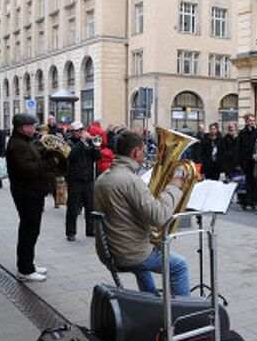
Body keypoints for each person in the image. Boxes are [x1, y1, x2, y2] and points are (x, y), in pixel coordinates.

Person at [94, 130, 190, 295]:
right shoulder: (130, 180)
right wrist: (173, 187)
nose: (144, 155)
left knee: (143, 267)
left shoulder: (103, 178)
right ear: (136, 152)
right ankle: (184, 312)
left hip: (110, 250)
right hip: (130, 254)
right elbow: (159, 217)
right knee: (180, 266)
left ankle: (149, 300)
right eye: (143, 151)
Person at [7, 114, 57, 282]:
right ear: (22, 127)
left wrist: (46, 152)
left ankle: (29, 265)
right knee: (29, 231)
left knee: (31, 231)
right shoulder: (17, 145)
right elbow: (27, 169)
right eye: (31, 125)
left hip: (32, 192)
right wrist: (50, 163)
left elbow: (34, 160)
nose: (34, 128)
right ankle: (25, 270)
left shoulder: (25, 142)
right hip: (27, 193)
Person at [65, 121, 101, 241]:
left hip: (88, 179)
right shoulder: (69, 142)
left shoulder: (89, 143)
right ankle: (71, 232)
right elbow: (71, 156)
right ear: (73, 132)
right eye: (78, 131)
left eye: (82, 130)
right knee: (73, 207)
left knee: (90, 206)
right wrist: (81, 142)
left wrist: (96, 147)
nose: (81, 133)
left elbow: (97, 158)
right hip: (75, 179)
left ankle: (90, 230)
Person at [235, 114, 257, 209]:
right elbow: (238, 148)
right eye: (250, 120)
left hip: (255, 161)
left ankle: (254, 201)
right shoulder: (242, 133)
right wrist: (237, 163)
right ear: (246, 122)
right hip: (245, 161)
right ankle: (244, 202)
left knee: (255, 182)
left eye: (253, 120)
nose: (252, 122)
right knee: (245, 182)